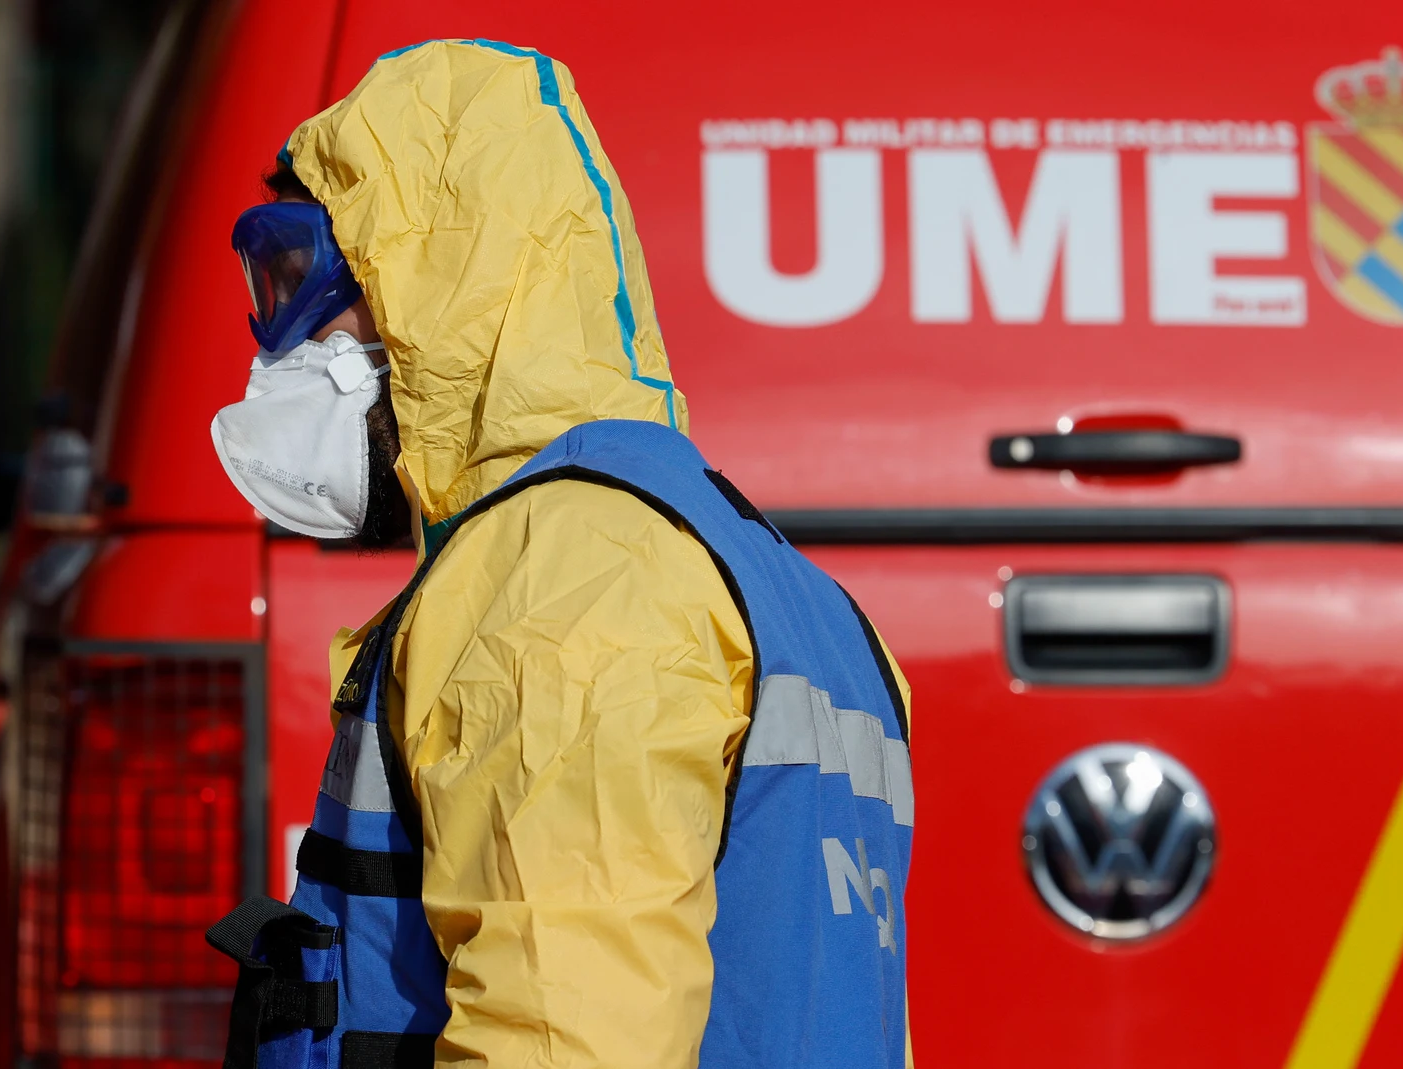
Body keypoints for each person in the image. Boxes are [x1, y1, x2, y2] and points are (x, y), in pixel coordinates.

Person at [204, 40, 913, 1069]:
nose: (283, 341)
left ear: (423, 275)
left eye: (299, 275)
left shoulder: (564, 584)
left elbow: (560, 1039)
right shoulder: (785, 588)